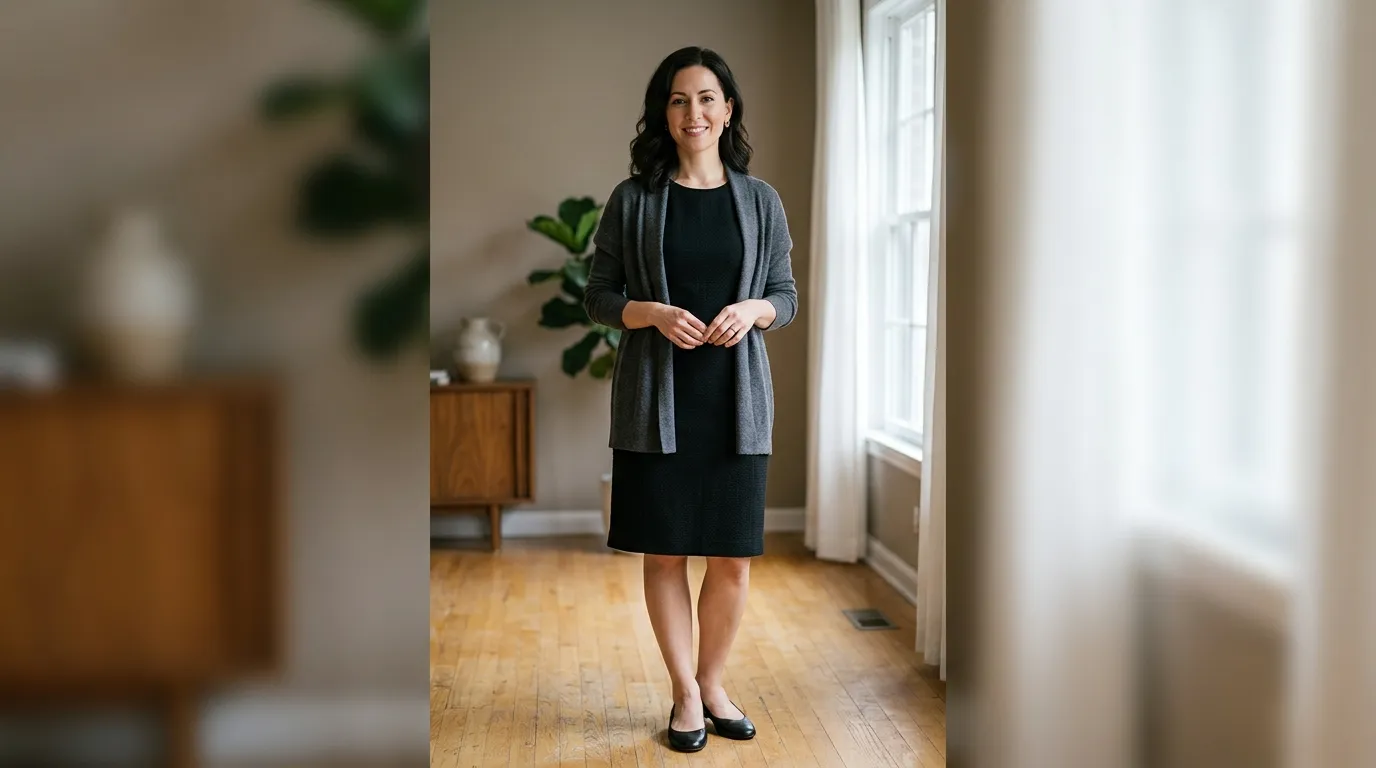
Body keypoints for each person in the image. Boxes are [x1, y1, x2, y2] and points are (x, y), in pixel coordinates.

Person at [583, 45, 798, 753]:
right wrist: (649, 313)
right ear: (663, 113)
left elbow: (785, 295)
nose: (694, 112)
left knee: (731, 558)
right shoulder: (634, 199)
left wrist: (754, 312)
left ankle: (713, 684)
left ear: (728, 108)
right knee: (668, 554)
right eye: (679, 100)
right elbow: (600, 297)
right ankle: (682, 694)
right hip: (658, 404)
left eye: (707, 98)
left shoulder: (761, 200)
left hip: (737, 402)